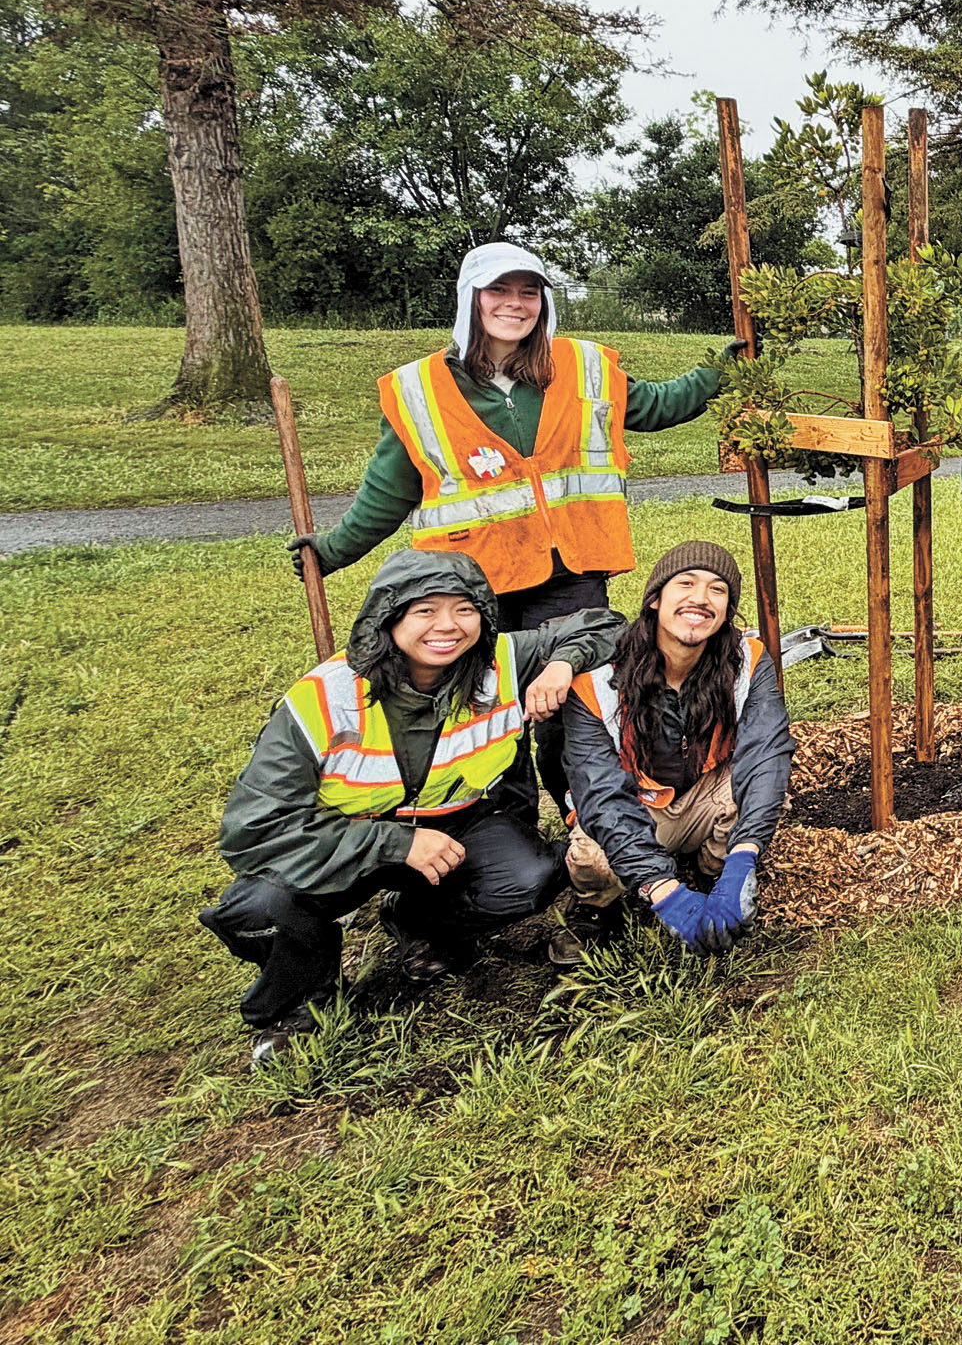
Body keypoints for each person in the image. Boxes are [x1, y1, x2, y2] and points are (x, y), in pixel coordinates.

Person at [288, 241, 732, 957]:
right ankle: (509, 854)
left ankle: (591, 844)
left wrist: (720, 369)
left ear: (544, 303)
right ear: (472, 299)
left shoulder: (582, 368)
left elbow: (657, 404)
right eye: (499, 291)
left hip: (571, 576)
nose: (514, 305)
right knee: (485, 719)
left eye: (529, 292)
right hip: (471, 594)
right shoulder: (422, 391)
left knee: (574, 718)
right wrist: (333, 550)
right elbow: (388, 490)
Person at [200, 551, 623, 1068]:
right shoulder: (323, 697)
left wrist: (561, 663)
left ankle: (420, 924)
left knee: (527, 877)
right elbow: (255, 830)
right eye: (425, 611)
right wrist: (396, 844)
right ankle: (304, 1003)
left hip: (456, 822)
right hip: (345, 837)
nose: (448, 626)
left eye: (465, 609)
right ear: (388, 618)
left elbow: (606, 625)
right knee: (261, 907)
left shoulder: (501, 659)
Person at [560, 541, 792, 954]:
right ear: (655, 599)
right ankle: (597, 908)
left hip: (705, 796)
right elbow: (601, 794)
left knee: (760, 787)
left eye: (717, 590)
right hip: (635, 803)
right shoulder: (598, 678)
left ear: (727, 611)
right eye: (686, 583)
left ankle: (716, 873)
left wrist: (743, 858)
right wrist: (663, 890)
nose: (700, 598)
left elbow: (766, 753)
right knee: (592, 859)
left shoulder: (747, 659)